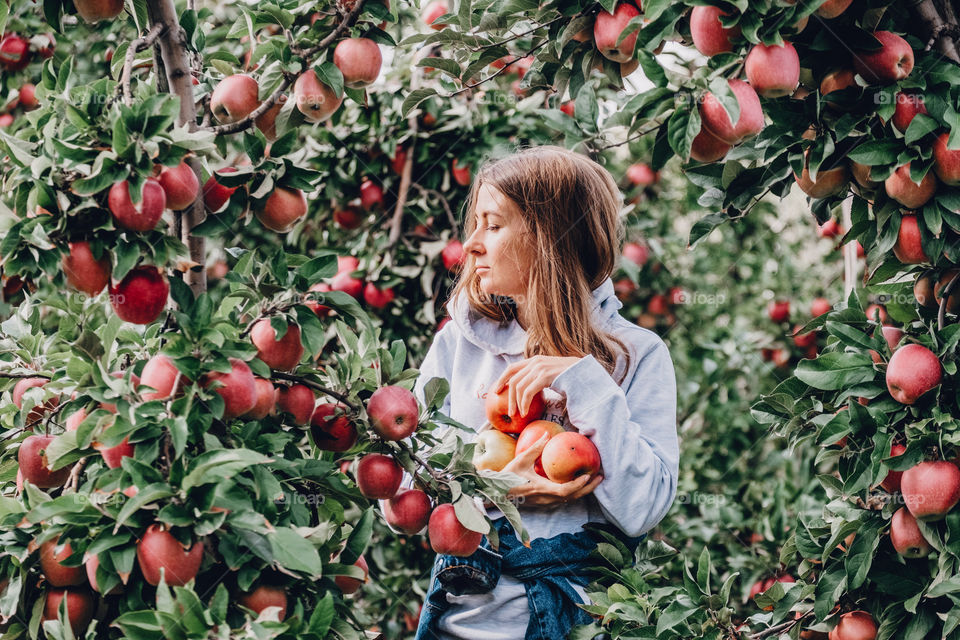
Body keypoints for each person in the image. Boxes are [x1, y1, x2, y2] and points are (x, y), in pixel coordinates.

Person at [410, 145, 679, 639]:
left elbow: (643, 509)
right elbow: (407, 495)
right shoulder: (461, 346)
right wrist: (497, 491)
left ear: (549, 238)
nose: (471, 245)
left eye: (492, 225)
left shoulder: (637, 356)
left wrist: (587, 385)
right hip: (464, 625)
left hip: (584, 622)